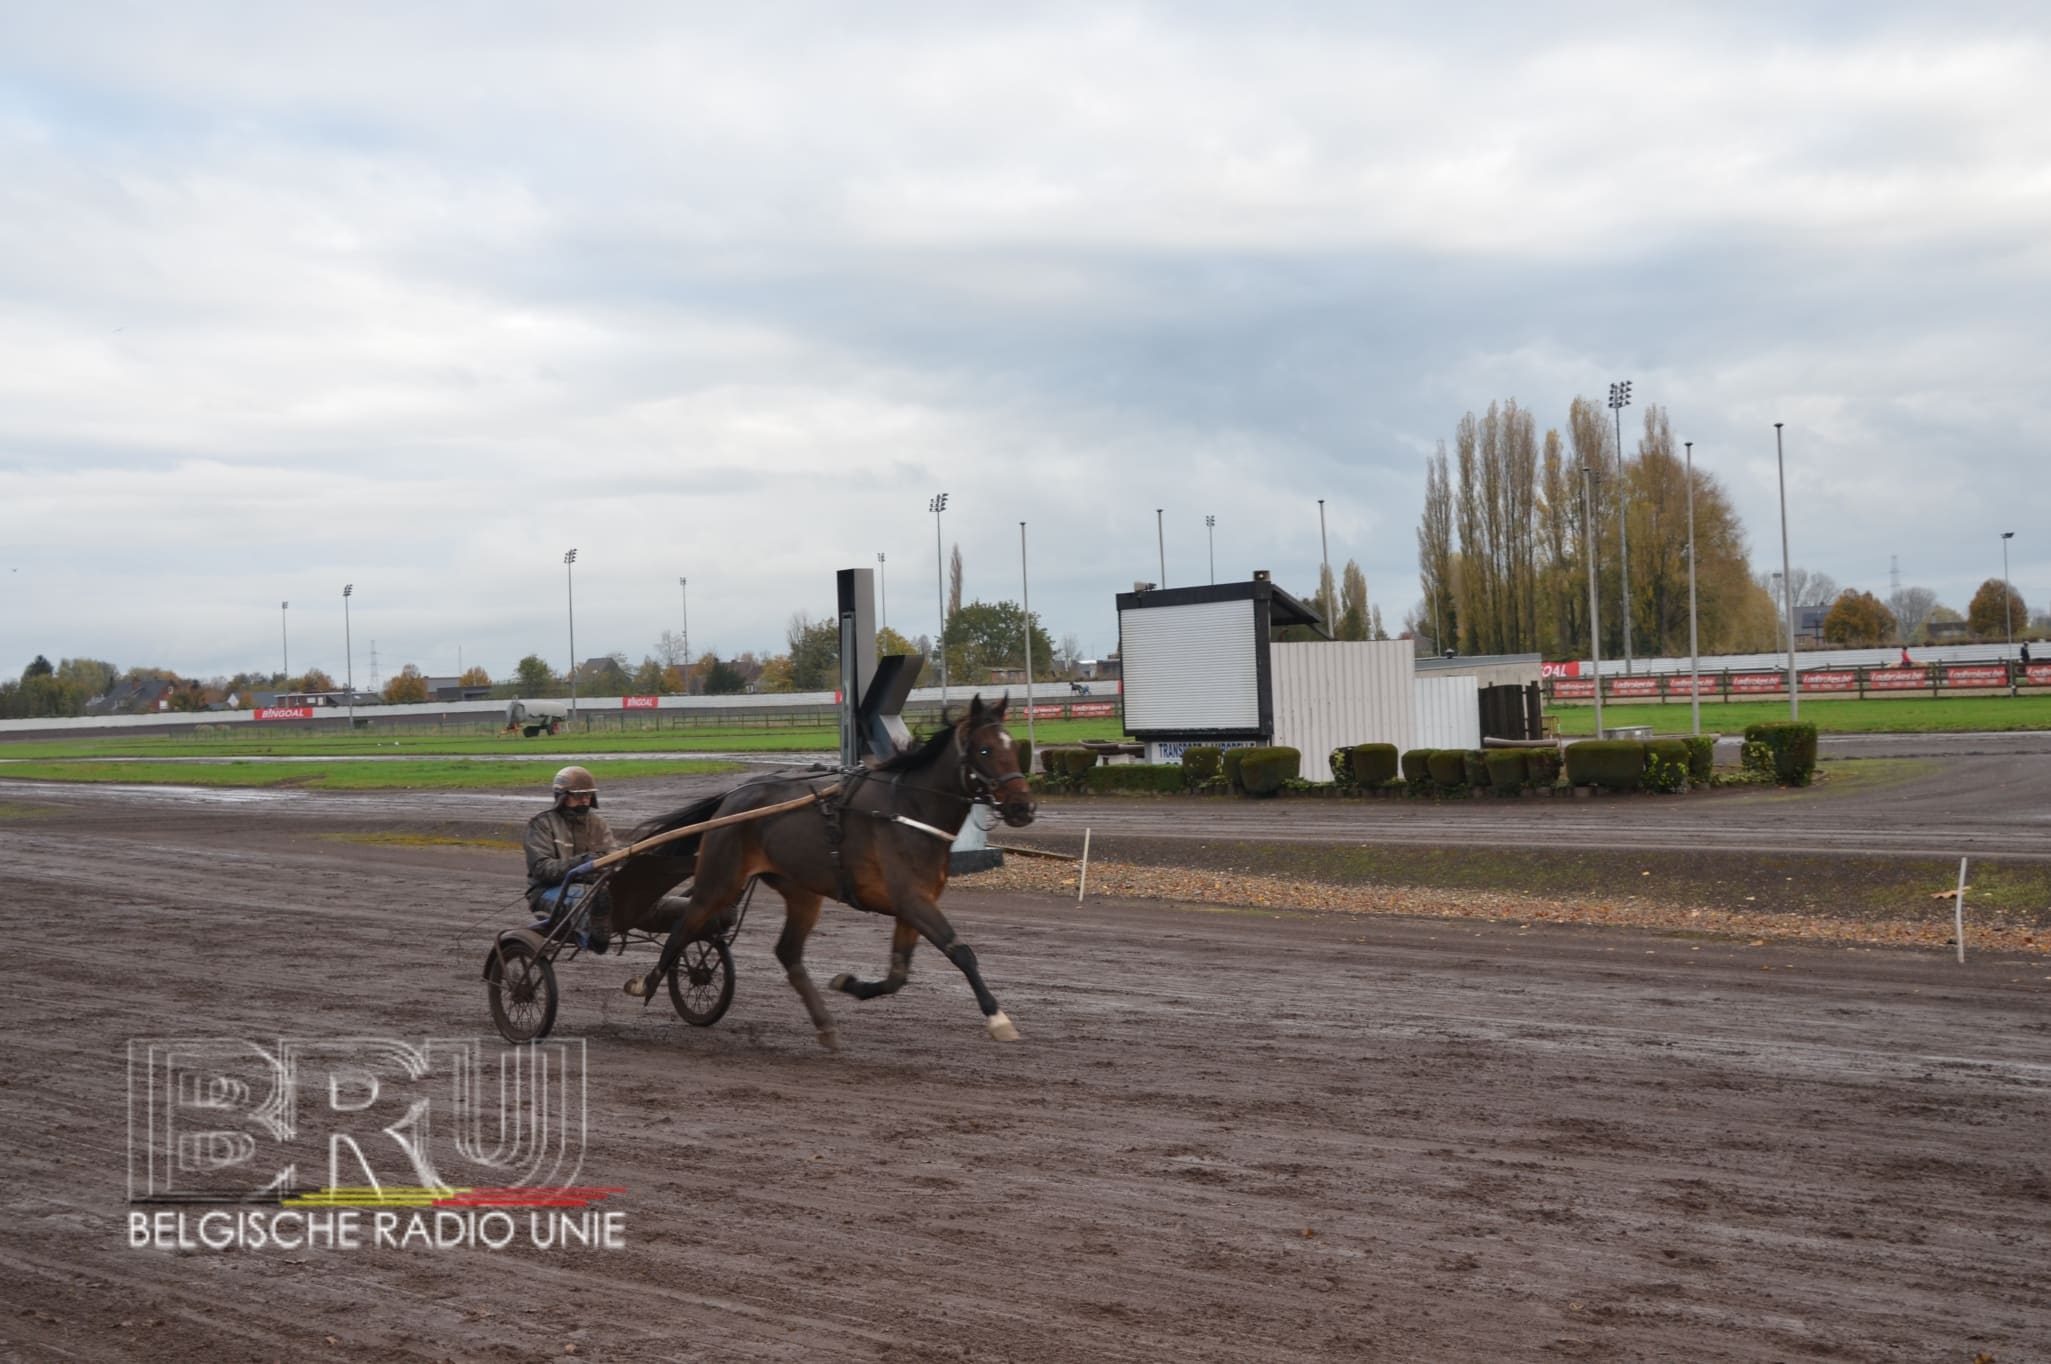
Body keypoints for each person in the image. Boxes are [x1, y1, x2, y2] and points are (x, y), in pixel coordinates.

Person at [525, 765, 620, 951]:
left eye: (588, 795)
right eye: (578, 796)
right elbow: (542, 869)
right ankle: (592, 940)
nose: (585, 800)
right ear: (562, 796)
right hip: (547, 891)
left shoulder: (598, 823)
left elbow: (612, 856)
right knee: (595, 896)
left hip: (591, 887)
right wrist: (583, 862)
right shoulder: (541, 824)